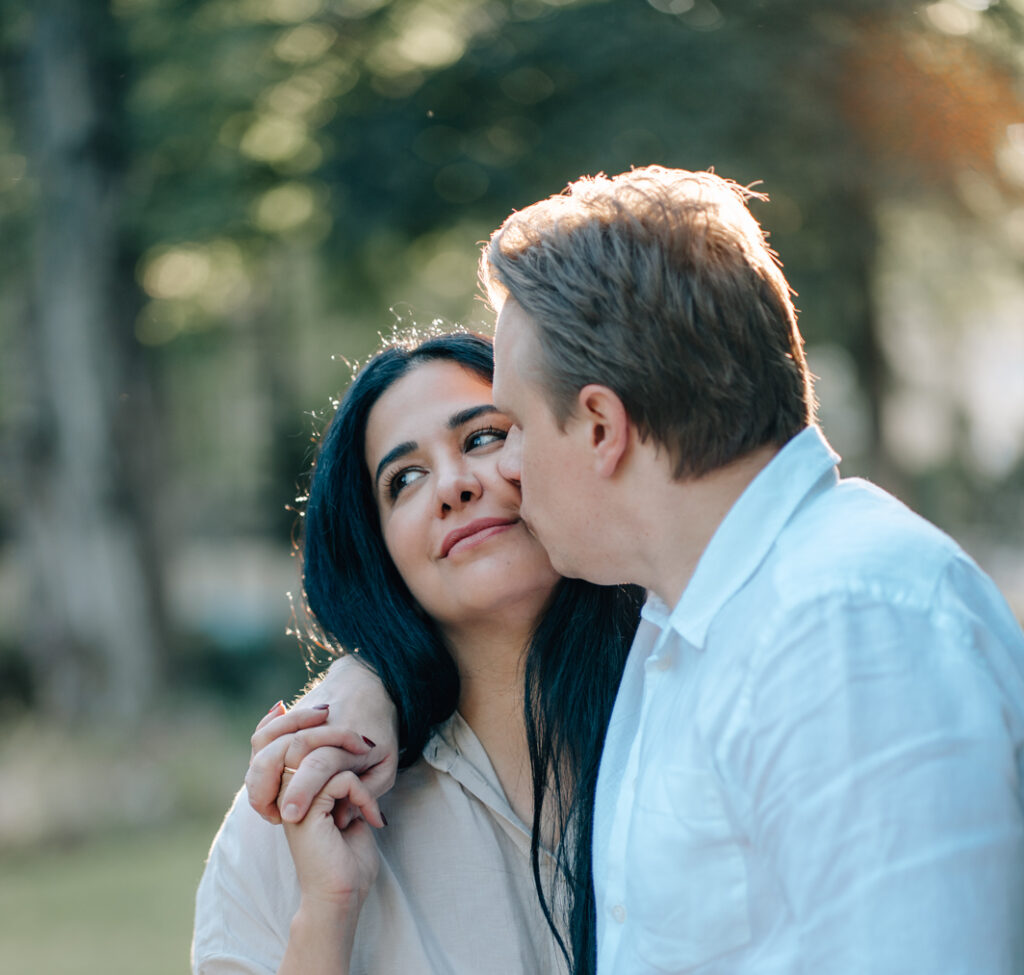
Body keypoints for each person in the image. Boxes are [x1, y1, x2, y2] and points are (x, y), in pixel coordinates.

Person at [265, 166, 1024, 973]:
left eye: (508, 427)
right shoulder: (684, 631)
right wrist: (374, 679)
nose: (506, 471)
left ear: (600, 427)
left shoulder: (848, 623)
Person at [192, 332, 642, 975]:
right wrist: (327, 909)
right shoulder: (294, 808)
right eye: (404, 479)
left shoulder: (690, 702)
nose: (452, 487)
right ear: (382, 558)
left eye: (483, 438)